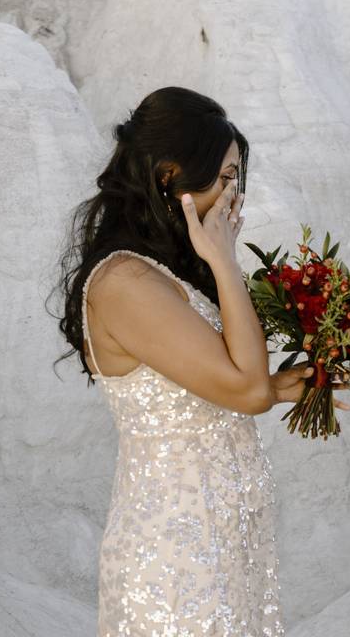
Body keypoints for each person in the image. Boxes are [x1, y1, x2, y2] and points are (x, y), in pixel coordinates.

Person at [55, 86, 321, 635]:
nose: (234, 196)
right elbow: (244, 393)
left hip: (223, 545)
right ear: (170, 175)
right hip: (176, 557)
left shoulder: (163, 275)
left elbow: (230, 386)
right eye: (225, 178)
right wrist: (224, 260)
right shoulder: (125, 281)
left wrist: (276, 385)